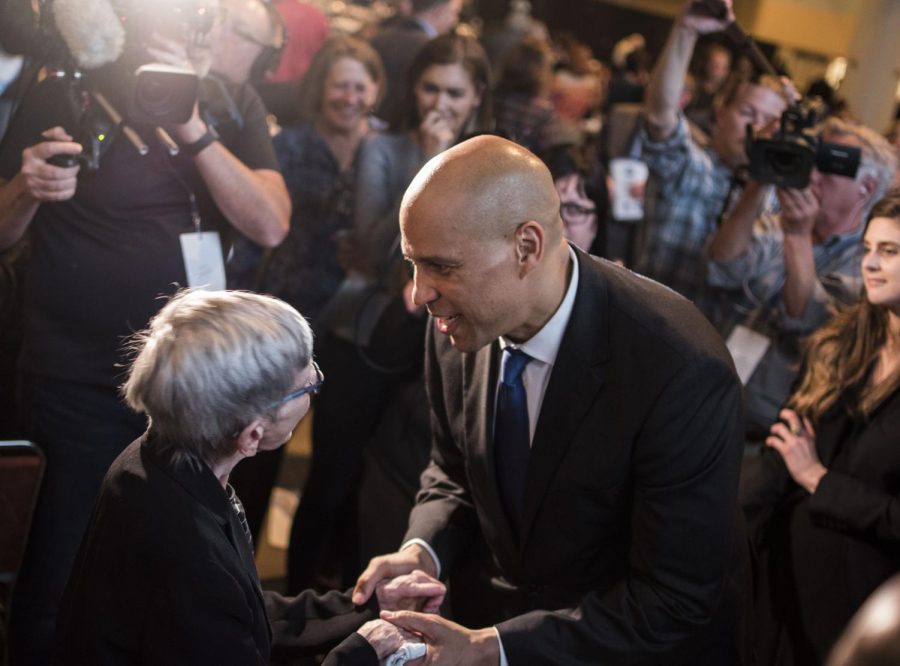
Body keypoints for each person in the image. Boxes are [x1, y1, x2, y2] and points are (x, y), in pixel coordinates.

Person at [353, 135, 747, 664]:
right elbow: (453, 472)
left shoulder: (678, 366)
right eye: (412, 264)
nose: (420, 292)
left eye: (442, 267)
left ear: (527, 247)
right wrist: (423, 549)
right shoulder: (454, 324)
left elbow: (672, 598)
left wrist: (495, 649)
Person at [0, 2, 290, 662]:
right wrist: (27, 187)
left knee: (180, 564)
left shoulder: (228, 100)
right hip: (77, 380)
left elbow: (270, 222)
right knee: (59, 566)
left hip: (194, 391)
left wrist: (190, 122)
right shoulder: (65, 88)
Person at [54, 289, 444, 665]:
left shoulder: (154, 458)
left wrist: (367, 607)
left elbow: (239, 616)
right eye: (308, 385)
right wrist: (359, 653)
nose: (314, 386)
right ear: (252, 434)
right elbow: (219, 606)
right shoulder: (188, 549)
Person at [286, 32, 492, 594]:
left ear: (475, 96)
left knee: (404, 482)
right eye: (430, 87)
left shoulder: (491, 162)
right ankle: (299, 601)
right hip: (368, 337)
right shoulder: (385, 149)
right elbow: (379, 255)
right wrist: (427, 160)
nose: (440, 103)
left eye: (454, 92)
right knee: (334, 477)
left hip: (448, 339)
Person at [230, 34, 384, 538]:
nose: (350, 98)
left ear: (376, 91)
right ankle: (240, 569)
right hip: (284, 321)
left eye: (360, 87)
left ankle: (311, 583)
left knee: (338, 462)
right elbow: (254, 235)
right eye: (340, 86)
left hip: (353, 326)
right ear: (320, 87)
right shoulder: (288, 146)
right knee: (257, 457)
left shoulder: (383, 150)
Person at [740, 195, 900, 665]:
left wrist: (819, 480)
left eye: (890, 252)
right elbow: (779, 454)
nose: (870, 263)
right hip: (778, 589)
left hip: (863, 606)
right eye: (868, 248)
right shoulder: (837, 345)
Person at [707, 117, 896, 436]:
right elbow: (722, 265)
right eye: (812, 162)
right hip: (712, 392)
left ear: (867, 188)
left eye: (830, 165)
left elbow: (808, 319)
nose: (813, 175)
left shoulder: (869, 259)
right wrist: (761, 179)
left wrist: (797, 236)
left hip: (768, 427)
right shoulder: (778, 221)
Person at [636, 0, 787, 305]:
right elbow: (659, 115)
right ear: (721, 112)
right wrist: (686, 30)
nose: (758, 128)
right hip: (650, 325)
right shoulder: (693, 164)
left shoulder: (774, 200)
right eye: (748, 112)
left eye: (770, 121)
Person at [369, 0, 464, 126]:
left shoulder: (379, 37)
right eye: (454, 13)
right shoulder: (432, 50)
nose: (455, 20)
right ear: (439, 11)